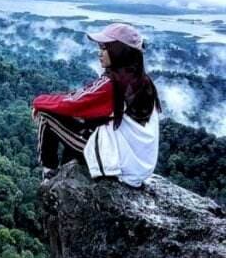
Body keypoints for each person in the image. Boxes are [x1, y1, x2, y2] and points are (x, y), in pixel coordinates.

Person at [31, 22, 162, 188]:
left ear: (118, 51)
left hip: (119, 163)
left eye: (104, 48)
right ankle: (67, 172)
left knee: (46, 116)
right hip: (139, 165)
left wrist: (38, 101)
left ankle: (49, 173)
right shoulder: (142, 80)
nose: (99, 54)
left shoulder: (112, 84)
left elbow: (74, 104)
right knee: (84, 122)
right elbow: (86, 106)